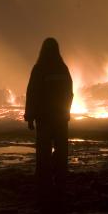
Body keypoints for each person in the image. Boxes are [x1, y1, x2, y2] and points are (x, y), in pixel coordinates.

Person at [24, 37, 74, 192]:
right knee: (61, 149)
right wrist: (66, 112)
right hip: (61, 117)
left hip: (44, 117)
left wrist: (30, 116)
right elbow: (70, 93)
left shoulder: (39, 68)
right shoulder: (63, 68)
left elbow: (32, 93)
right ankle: (61, 178)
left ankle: (43, 180)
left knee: (43, 150)